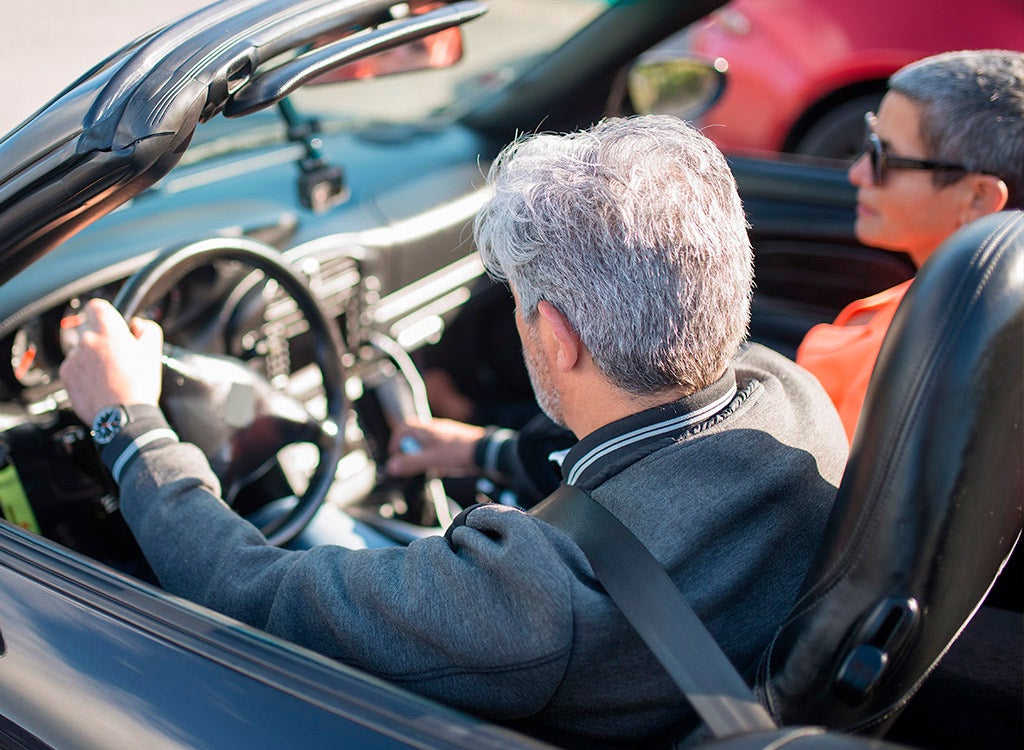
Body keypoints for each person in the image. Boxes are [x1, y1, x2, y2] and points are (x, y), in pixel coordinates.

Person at [60, 115, 848, 747]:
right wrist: (476, 450)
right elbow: (657, 476)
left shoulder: (530, 602)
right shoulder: (791, 398)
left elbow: (248, 592)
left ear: (557, 336)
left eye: (516, 304)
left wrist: (127, 423)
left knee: (309, 530)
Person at [796, 49, 1024, 442]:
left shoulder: (902, 369)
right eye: (868, 141)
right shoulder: (962, 304)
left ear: (979, 199)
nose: (857, 173)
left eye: (883, 156)